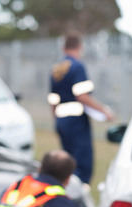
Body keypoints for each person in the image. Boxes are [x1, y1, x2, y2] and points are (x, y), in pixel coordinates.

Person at [48, 30, 114, 184]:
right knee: (82, 164)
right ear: (80, 47)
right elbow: (82, 96)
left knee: (66, 161)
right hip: (76, 122)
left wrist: (56, 120)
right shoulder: (77, 66)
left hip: (61, 121)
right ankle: (80, 195)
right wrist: (104, 111)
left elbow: (53, 99)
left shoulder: (56, 68)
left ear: (64, 47)